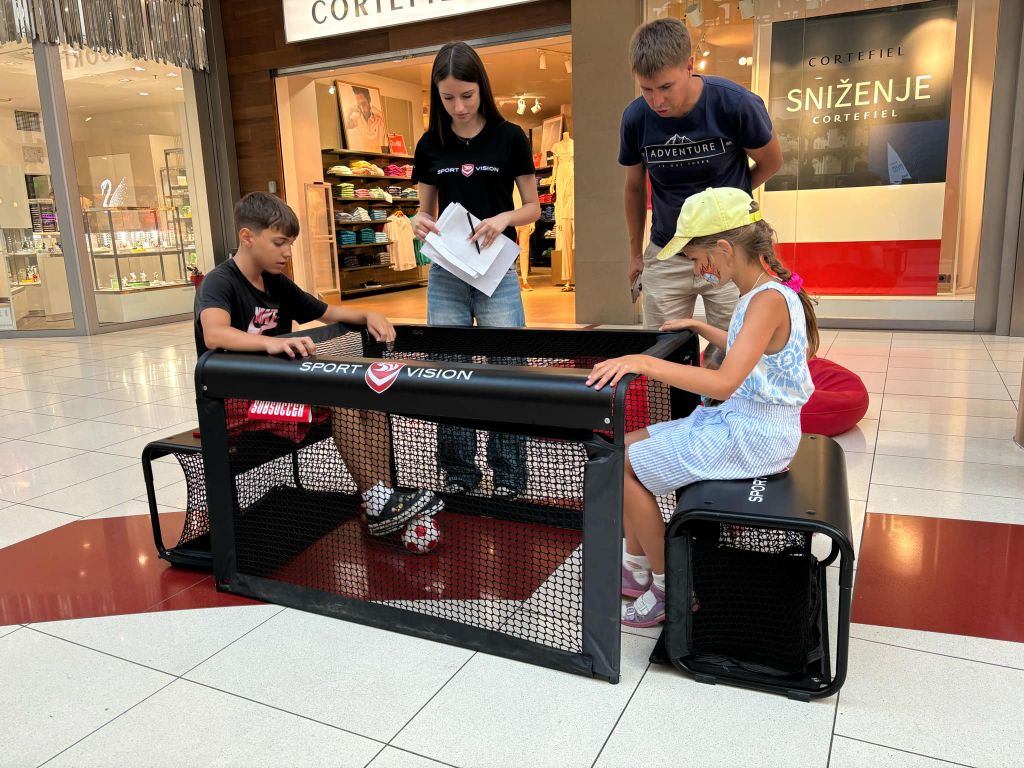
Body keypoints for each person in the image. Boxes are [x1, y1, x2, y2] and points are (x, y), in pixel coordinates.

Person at [587, 187, 818, 628]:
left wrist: (645, 363)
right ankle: (635, 567)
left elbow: (725, 381)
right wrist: (699, 325)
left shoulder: (766, 300)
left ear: (724, 248)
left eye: (697, 258)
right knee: (618, 446)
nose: (696, 270)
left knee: (618, 465)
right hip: (749, 424)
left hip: (755, 435)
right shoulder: (766, 292)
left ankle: (668, 586)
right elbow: (750, 351)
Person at [195, 191, 443, 536]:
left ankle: (382, 500)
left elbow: (328, 312)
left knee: (368, 394)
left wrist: (368, 313)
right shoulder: (219, 281)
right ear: (247, 237)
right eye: (279, 243)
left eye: (290, 243)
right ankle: (377, 500)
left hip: (275, 390)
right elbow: (215, 333)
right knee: (340, 398)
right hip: (238, 402)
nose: (287, 252)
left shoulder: (276, 283)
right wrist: (272, 343)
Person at [410, 41, 541, 499]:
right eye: (448, 97)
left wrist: (503, 219)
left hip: (497, 270)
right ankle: (459, 474)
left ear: (481, 88)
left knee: (507, 371)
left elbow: (533, 207)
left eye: (466, 95)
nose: (459, 106)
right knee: (449, 372)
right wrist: (417, 222)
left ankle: (509, 476)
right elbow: (424, 211)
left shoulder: (510, 137)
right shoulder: (430, 144)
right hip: (447, 272)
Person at [620, 18, 783, 352]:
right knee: (661, 350)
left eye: (666, 87)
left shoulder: (735, 103)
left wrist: (731, 201)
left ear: (689, 66)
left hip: (728, 250)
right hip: (668, 250)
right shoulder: (635, 118)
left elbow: (772, 161)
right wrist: (636, 254)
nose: (657, 101)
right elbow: (634, 188)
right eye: (647, 90)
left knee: (736, 349)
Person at [345, 86, 387, 151]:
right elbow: (345, 125)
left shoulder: (379, 118)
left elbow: (390, 127)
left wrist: (378, 112)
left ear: (369, 99)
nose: (362, 108)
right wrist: (350, 109)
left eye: (363, 103)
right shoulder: (358, 118)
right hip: (364, 156)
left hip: (379, 156)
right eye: (359, 104)